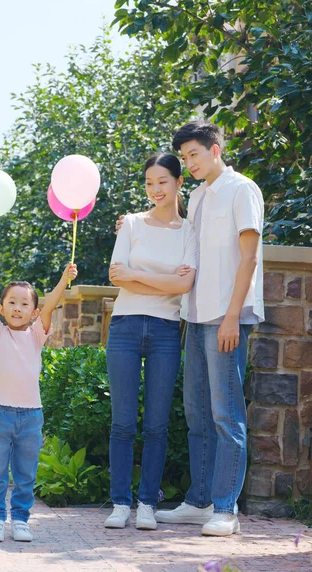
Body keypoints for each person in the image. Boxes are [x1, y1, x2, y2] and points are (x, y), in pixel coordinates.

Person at [117, 122, 264, 537]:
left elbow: (249, 258)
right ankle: (200, 501)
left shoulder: (242, 190)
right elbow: (177, 236)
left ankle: (226, 509)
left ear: (215, 149)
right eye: (184, 158)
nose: (189, 163)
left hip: (226, 316)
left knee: (226, 414)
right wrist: (129, 225)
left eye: (194, 155)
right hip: (195, 317)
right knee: (197, 414)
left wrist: (234, 315)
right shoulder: (198, 197)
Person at [105, 153, 196, 531]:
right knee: (123, 423)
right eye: (148, 182)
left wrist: (137, 274)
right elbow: (116, 277)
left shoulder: (190, 231)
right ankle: (120, 504)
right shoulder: (131, 223)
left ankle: (146, 503)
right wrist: (162, 279)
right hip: (125, 326)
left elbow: (183, 285)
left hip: (164, 331)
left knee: (157, 424)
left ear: (178, 182)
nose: (155, 189)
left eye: (162, 181)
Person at [0, 245, 77, 543]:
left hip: (31, 416)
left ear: (33, 312)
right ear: (3, 308)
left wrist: (63, 279)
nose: (16, 308)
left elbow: (50, 306)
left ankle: (20, 519)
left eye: (23, 304)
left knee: (25, 475)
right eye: (11, 302)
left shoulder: (36, 334)